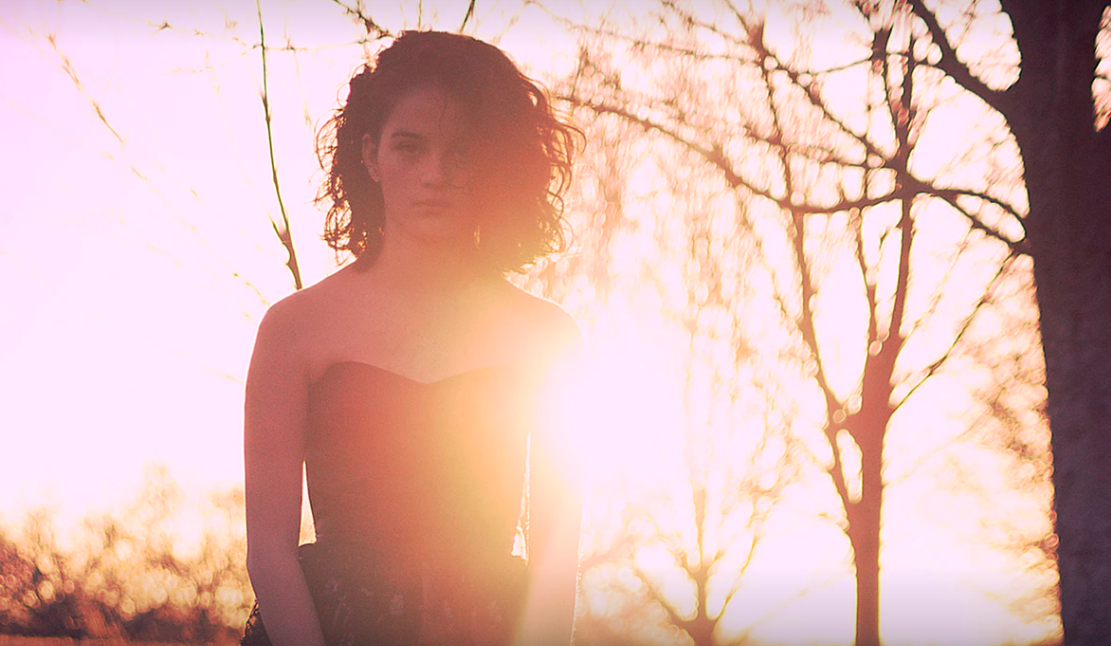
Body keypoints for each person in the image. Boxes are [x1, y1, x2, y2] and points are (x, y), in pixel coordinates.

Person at [241, 31, 583, 646]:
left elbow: (557, 559)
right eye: (411, 148)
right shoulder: (294, 328)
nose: (435, 174)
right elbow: (268, 550)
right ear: (370, 155)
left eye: (461, 153)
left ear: (495, 163)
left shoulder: (548, 337)